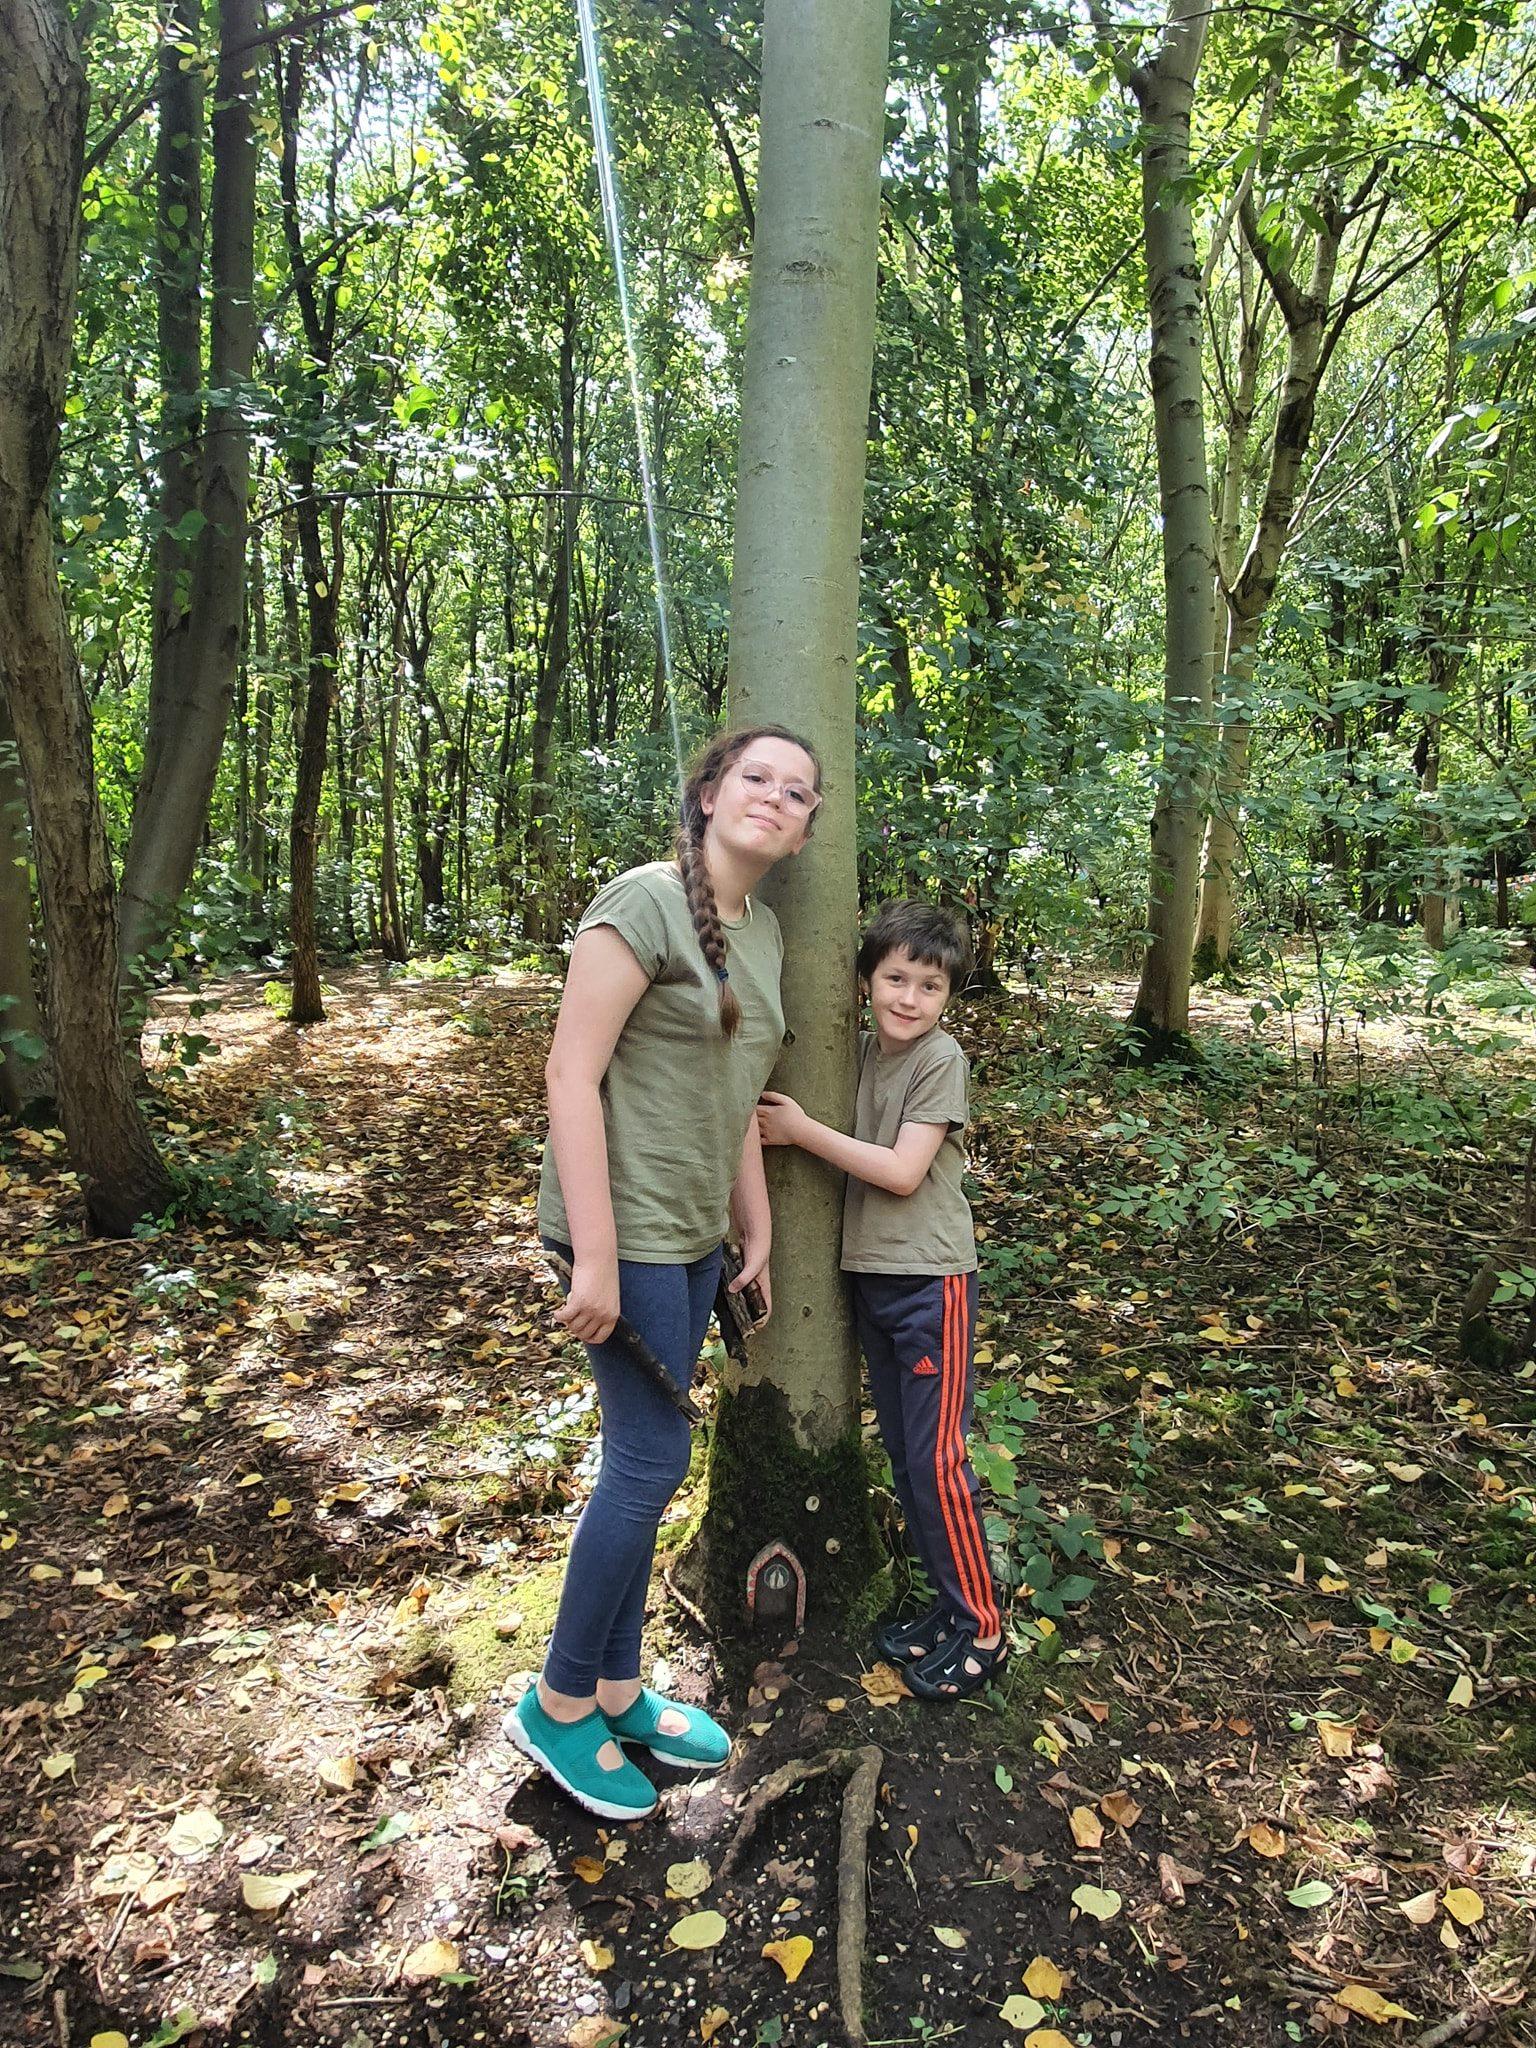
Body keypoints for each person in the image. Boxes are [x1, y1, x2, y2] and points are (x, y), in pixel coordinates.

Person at [505, 725, 823, 1819]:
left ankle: (618, 1686)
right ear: (706, 793)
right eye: (756, 778)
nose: (774, 799)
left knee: (648, 1467)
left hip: (692, 1235)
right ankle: (556, 1702)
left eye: (797, 791)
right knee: (648, 1461)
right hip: (622, 1227)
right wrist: (590, 1252)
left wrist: (756, 1223)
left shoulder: (767, 932)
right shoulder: (641, 902)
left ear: (806, 825)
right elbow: (569, 1069)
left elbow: (736, 1087)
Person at [756, 899, 1005, 1699]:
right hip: (871, 1280)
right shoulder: (851, 1052)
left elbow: (901, 1172)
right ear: (864, 981)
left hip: (932, 1280)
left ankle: (984, 1629)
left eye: (928, 986)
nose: (908, 998)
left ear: (947, 997)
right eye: (894, 978)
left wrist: (799, 1132)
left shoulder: (941, 1060)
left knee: (939, 1461)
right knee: (903, 1458)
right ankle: (945, 1605)